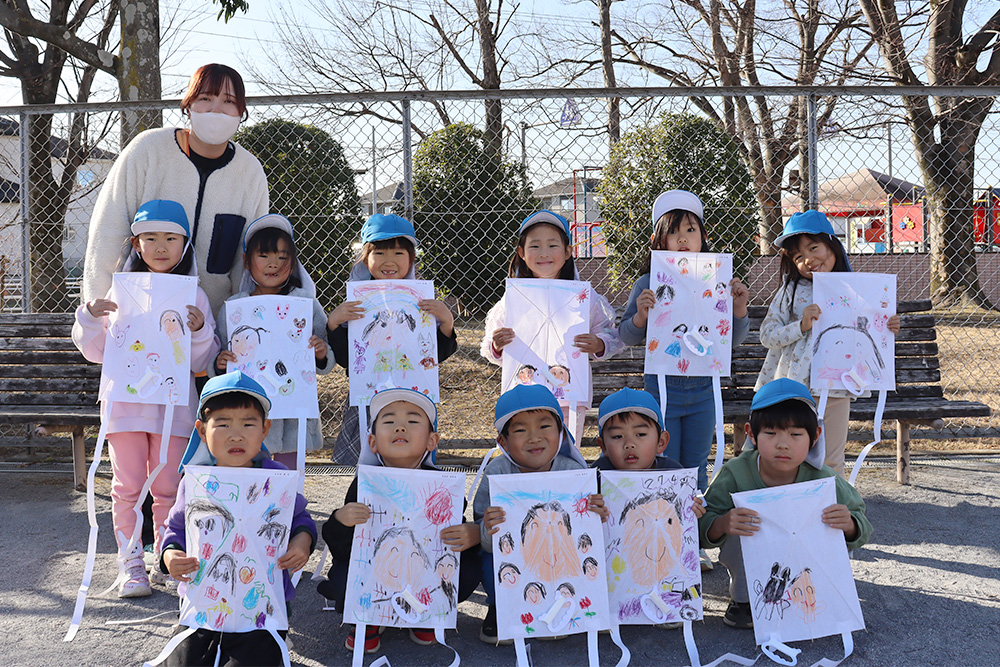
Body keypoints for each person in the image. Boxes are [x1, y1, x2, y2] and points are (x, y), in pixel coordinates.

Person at [72, 199, 220, 597]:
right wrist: (89, 318)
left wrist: (200, 330)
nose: (160, 246)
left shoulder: (194, 298)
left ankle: (164, 559)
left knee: (169, 487)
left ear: (185, 244)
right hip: (125, 410)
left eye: (170, 238)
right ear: (136, 244)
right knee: (128, 488)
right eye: (149, 238)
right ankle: (131, 564)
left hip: (174, 410)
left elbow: (202, 361)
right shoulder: (120, 293)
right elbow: (97, 352)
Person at [618, 190, 750, 570]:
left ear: (703, 237)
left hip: (704, 390)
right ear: (657, 240)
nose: (682, 239)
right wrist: (641, 316)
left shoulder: (717, 279)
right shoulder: (648, 281)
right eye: (672, 232)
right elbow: (627, 334)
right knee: (662, 461)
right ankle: (660, 540)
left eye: (690, 230)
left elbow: (731, 339)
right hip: (662, 390)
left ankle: (691, 539)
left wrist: (739, 307)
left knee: (695, 465)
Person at [83, 64, 269, 317]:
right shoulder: (147, 151)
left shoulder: (250, 172)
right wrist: (100, 314)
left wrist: (240, 322)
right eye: (205, 98)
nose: (216, 109)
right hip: (139, 318)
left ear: (241, 111)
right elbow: (110, 231)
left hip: (214, 323)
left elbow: (248, 258)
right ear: (188, 105)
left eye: (229, 101)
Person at [157, 371, 316, 666]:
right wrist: (170, 556)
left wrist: (302, 541)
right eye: (223, 424)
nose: (236, 435)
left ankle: (273, 644)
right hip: (202, 607)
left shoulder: (275, 479)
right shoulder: (195, 482)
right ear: (201, 430)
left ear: (265, 429)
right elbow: (176, 529)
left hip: (262, 610)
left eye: (248, 423)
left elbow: (300, 519)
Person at [698, 378, 872, 629]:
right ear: (751, 434)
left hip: (805, 565)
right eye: (770, 433)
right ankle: (744, 600)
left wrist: (850, 525)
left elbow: (861, 521)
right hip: (754, 562)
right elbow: (703, 523)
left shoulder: (824, 479)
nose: (783, 444)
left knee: (834, 525)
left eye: (795, 434)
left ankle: (817, 594)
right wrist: (722, 523)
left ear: (815, 436)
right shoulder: (735, 473)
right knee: (740, 522)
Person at [317, 388, 481, 653]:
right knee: (343, 576)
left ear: (432, 440)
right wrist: (340, 521)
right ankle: (368, 619)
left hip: (421, 571)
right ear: (372, 442)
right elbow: (344, 549)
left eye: (413, 421)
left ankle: (427, 613)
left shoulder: (444, 488)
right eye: (389, 421)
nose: (400, 427)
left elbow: (450, 544)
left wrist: (471, 534)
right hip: (379, 571)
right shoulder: (364, 485)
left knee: (469, 569)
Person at [755, 210, 900, 476]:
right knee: (790, 457)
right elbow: (767, 335)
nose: (808, 260)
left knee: (831, 459)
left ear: (832, 244)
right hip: (794, 389)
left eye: (813, 248)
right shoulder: (791, 290)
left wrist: (888, 327)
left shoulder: (857, 289)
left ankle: (833, 501)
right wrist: (800, 326)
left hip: (837, 388)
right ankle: (790, 500)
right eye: (798, 257)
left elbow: (869, 331)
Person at [473, 384, 609, 645]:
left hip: (561, 556)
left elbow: (588, 538)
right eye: (520, 430)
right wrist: (488, 529)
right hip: (517, 558)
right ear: (503, 442)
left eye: (544, 426)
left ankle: (567, 606)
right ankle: (501, 608)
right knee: (492, 559)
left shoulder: (573, 473)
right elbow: (484, 538)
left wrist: (597, 515)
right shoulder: (497, 473)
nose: (534, 437)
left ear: (561, 433)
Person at [481, 210, 624, 446]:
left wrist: (599, 343)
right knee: (526, 451)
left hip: (570, 397)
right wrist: (497, 345)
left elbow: (611, 334)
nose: (544, 253)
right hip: (523, 396)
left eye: (552, 245)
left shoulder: (584, 298)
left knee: (565, 450)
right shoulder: (513, 299)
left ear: (568, 251)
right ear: (521, 253)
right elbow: (490, 346)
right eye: (535, 246)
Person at [326, 214, 458, 464]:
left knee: (413, 460)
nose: (389, 261)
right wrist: (334, 324)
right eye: (379, 253)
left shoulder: (422, 301)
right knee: (366, 461)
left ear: (411, 259)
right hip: (369, 397)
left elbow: (433, 356)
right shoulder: (357, 303)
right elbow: (347, 358)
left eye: (398, 253)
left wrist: (446, 324)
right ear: (365, 258)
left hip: (414, 396)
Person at [212, 214, 333, 469]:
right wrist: (220, 363)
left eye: (282, 257)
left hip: (293, 417)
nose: (273, 264)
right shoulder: (235, 307)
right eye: (264, 255)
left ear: (293, 262)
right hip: (249, 416)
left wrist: (321, 353)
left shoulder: (305, 303)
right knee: (252, 476)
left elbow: (324, 355)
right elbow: (224, 353)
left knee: (291, 479)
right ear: (246, 261)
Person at [592, 387, 706, 630]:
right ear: (602, 445)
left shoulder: (674, 475)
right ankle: (605, 609)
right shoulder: (594, 478)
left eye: (641, 434)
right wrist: (589, 512)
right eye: (617, 437)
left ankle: (667, 604)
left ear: (661, 442)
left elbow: (685, 532)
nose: (629, 444)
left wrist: (694, 511)